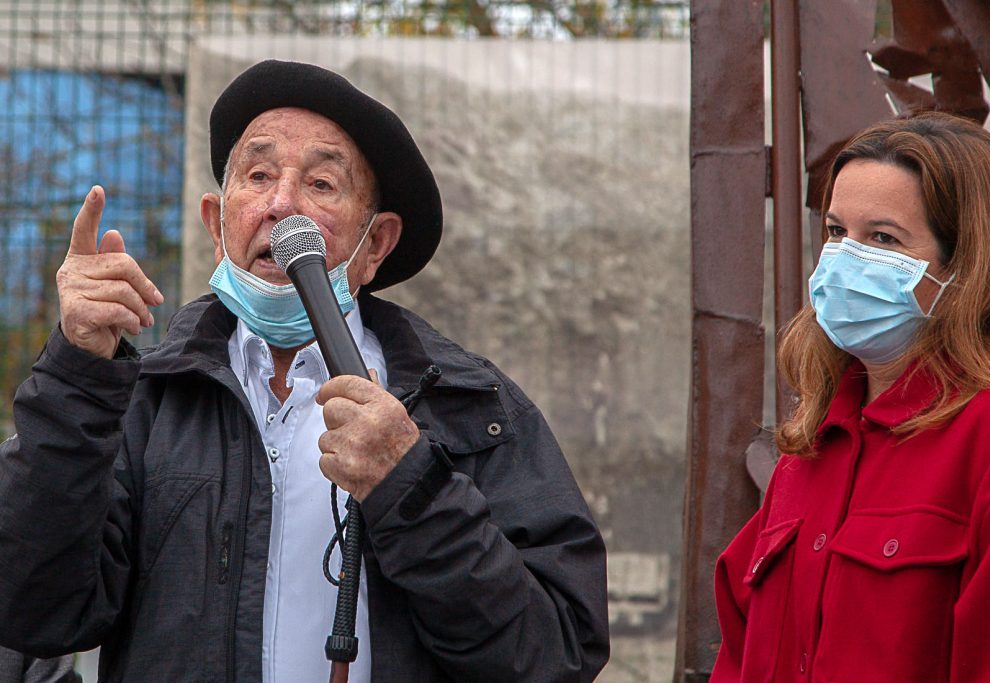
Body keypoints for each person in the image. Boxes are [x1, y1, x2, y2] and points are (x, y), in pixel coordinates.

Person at [0, 59, 609, 682]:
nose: (282, 205)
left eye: (321, 184)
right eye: (259, 175)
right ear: (216, 224)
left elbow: (555, 655)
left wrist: (412, 488)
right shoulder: (143, 402)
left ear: (376, 245)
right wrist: (77, 373)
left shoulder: (470, 407)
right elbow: (34, 610)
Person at [711, 111, 990, 682]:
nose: (844, 261)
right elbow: (739, 646)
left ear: (966, 265)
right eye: (836, 232)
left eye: (883, 238)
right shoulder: (813, 442)